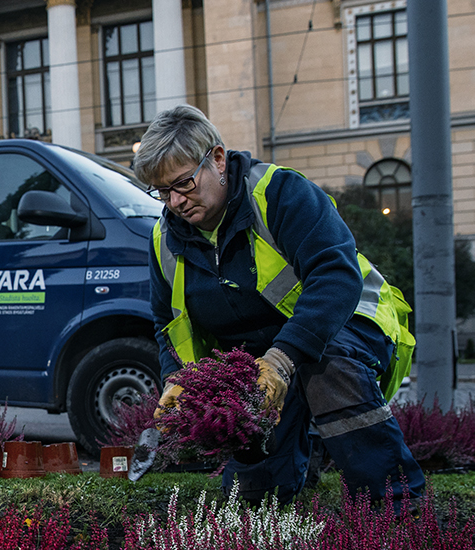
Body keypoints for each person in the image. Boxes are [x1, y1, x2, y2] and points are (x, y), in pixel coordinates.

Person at [138, 105, 423, 508]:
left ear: (217, 159)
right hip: (263, 360)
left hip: (345, 326)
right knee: (254, 496)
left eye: (183, 183)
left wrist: (282, 359)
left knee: (326, 368)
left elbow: (335, 276)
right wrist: (176, 380)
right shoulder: (163, 240)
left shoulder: (279, 194)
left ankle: (397, 507)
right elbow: (166, 323)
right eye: (162, 192)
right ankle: (301, 454)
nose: (175, 202)